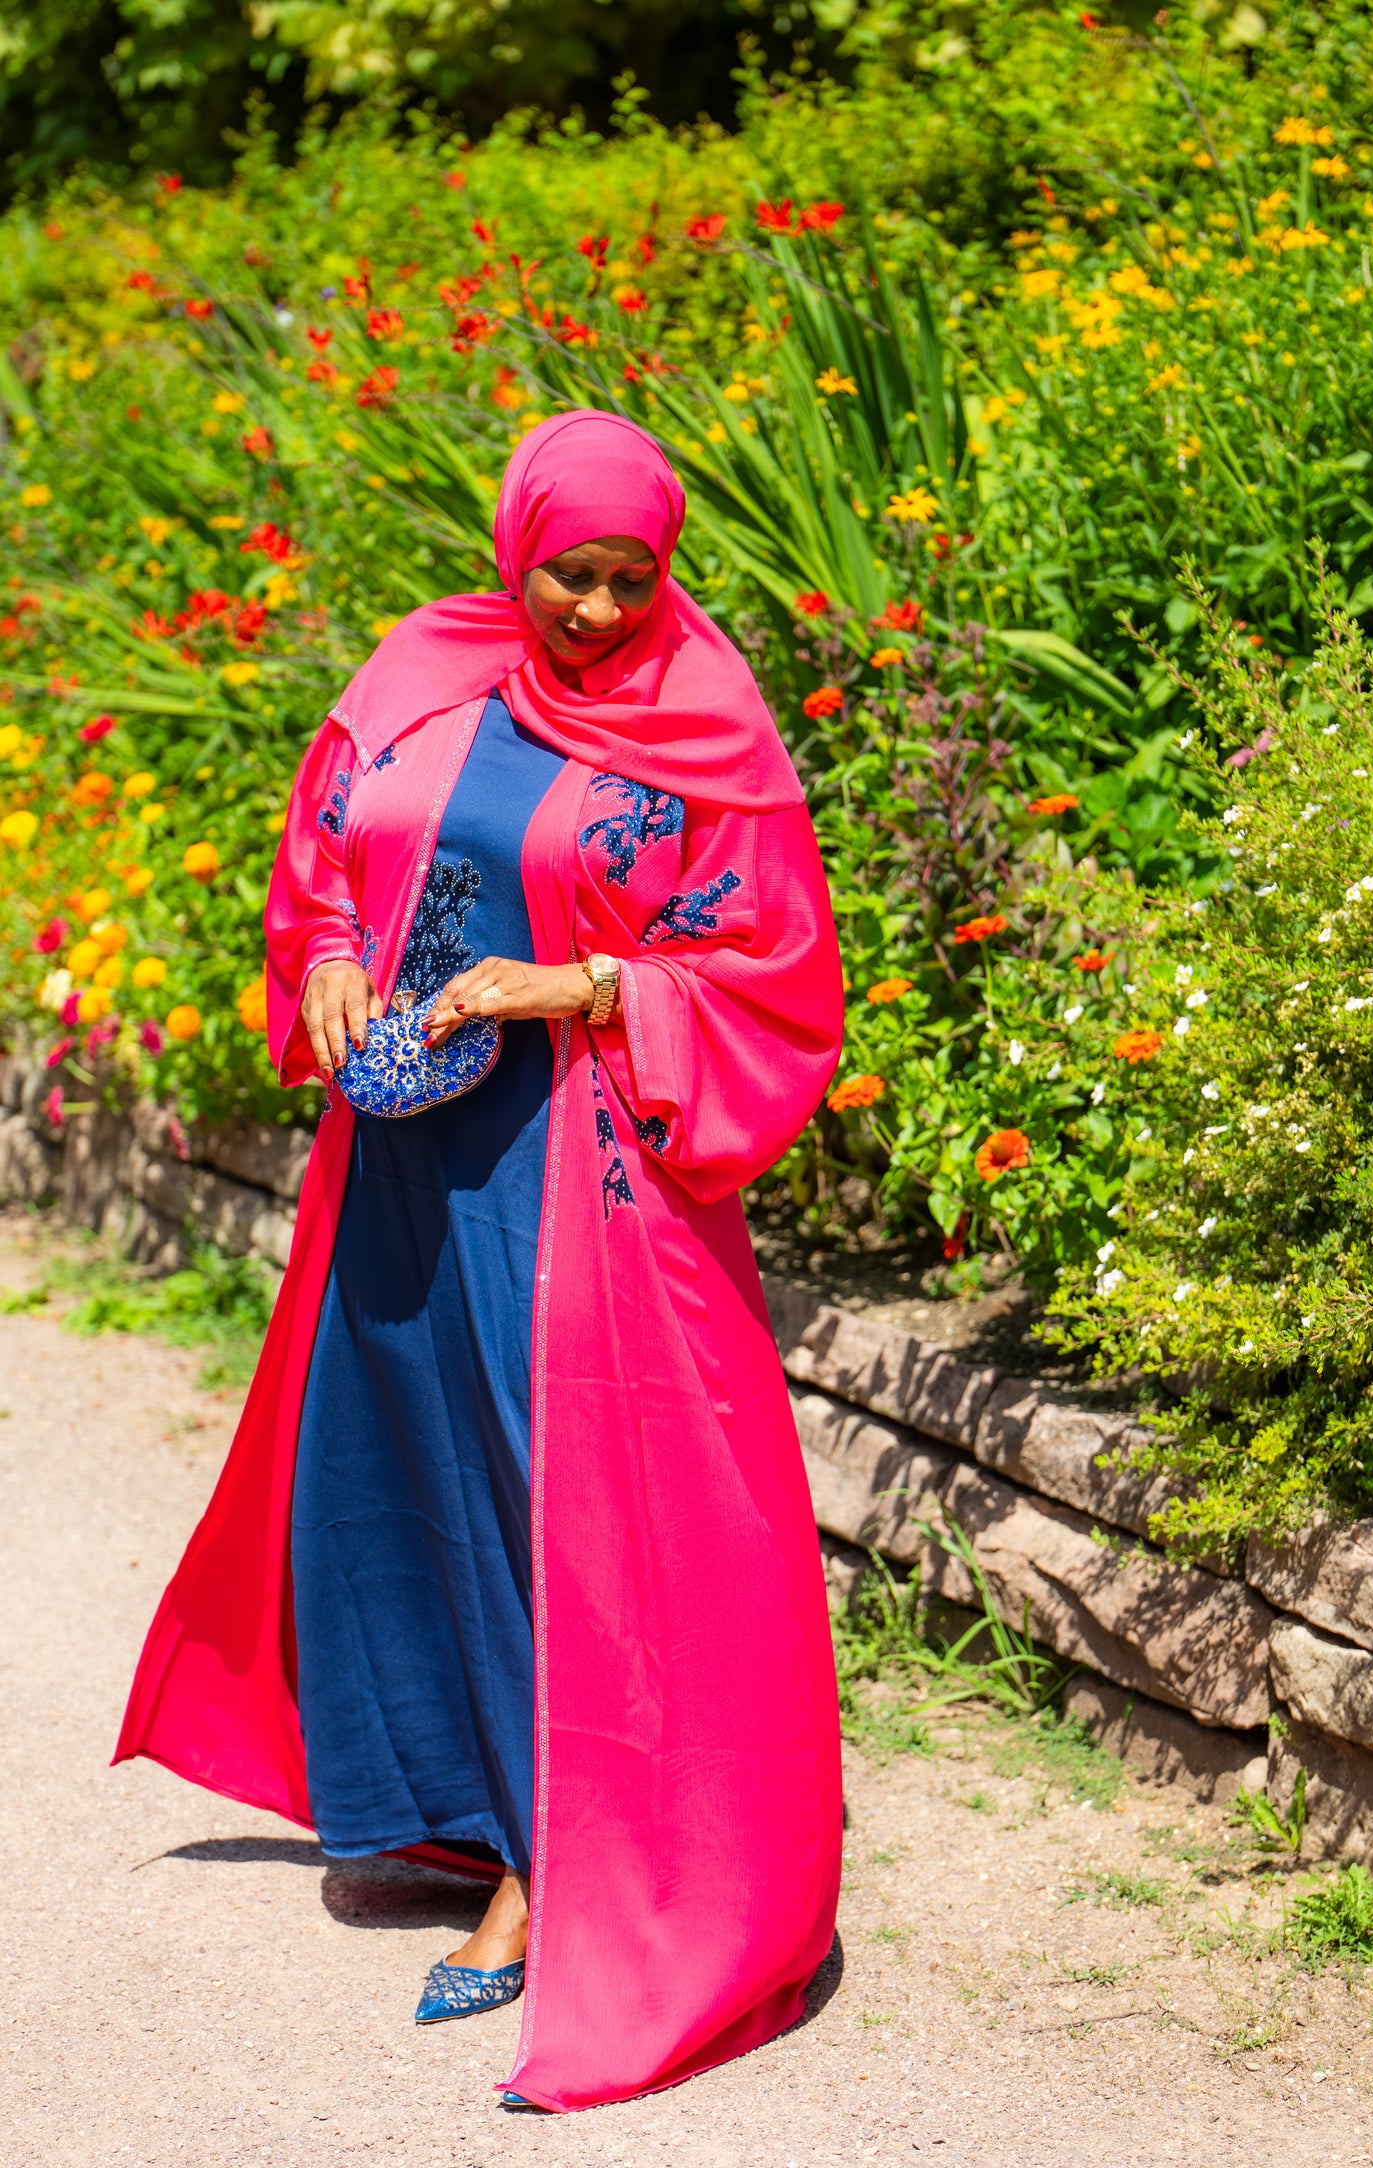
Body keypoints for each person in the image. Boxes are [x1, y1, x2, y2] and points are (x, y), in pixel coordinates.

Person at [115, 409, 845, 2113]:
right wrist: (319, 957)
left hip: (580, 1181)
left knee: (553, 1497)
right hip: (400, 1157)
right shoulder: (425, 672)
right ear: (509, 553)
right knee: (408, 1474)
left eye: (626, 577)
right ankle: (454, 1801)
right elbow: (332, 853)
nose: (592, 609)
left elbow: (775, 974)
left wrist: (569, 987)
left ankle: (554, 1861)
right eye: (562, 575)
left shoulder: (709, 733)